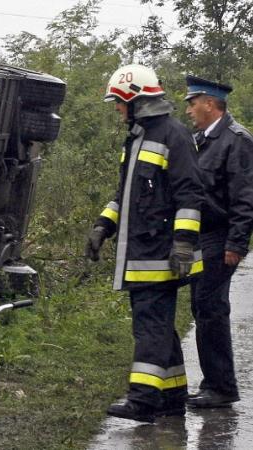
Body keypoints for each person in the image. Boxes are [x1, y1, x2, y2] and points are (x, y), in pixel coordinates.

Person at [86, 64, 204, 423]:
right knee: (159, 326)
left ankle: (143, 401)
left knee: (150, 327)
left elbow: (191, 195)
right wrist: (101, 227)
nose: (117, 110)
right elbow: (125, 195)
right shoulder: (136, 138)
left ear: (135, 100)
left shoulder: (174, 136)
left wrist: (183, 243)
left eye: (119, 104)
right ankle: (171, 396)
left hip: (162, 256)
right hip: (141, 255)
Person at [183, 75, 253, 408]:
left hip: (221, 237)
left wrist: (236, 244)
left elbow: (245, 198)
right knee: (204, 308)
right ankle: (217, 383)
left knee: (210, 309)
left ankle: (221, 388)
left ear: (210, 104)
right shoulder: (201, 140)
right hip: (202, 237)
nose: (188, 110)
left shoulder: (236, 141)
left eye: (192, 103)